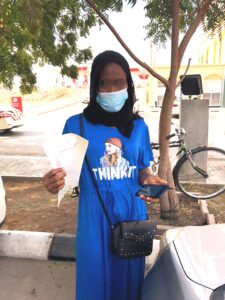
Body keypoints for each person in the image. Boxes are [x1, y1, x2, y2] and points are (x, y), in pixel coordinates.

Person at [43, 50, 166, 300]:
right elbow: (63, 177)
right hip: (93, 216)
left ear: (128, 85)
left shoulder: (138, 126)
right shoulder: (75, 125)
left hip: (132, 214)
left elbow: (143, 170)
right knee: (93, 283)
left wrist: (149, 180)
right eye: (104, 83)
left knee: (128, 285)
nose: (111, 89)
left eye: (118, 83)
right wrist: (52, 183)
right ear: (94, 87)